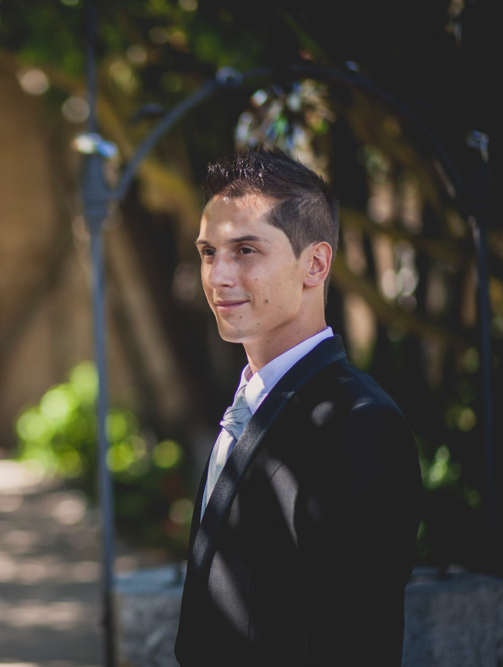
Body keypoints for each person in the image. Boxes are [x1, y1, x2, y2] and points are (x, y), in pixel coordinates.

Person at [174, 147, 421, 666]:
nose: (218, 276)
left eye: (245, 250)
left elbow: (356, 641)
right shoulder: (251, 400)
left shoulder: (358, 425)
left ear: (315, 263)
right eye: (208, 252)